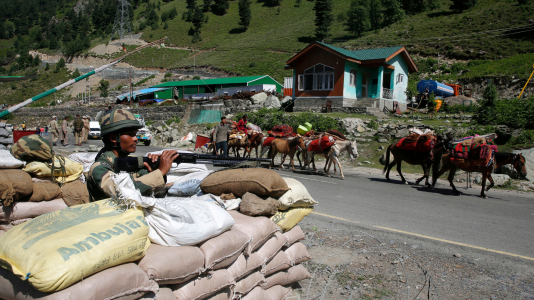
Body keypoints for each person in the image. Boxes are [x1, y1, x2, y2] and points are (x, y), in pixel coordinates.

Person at [87, 108, 179, 202]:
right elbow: (122, 191)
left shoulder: (130, 162)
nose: (135, 139)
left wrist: (155, 170)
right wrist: (160, 172)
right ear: (113, 138)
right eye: (130, 134)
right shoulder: (99, 168)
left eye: (135, 134)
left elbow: (148, 187)